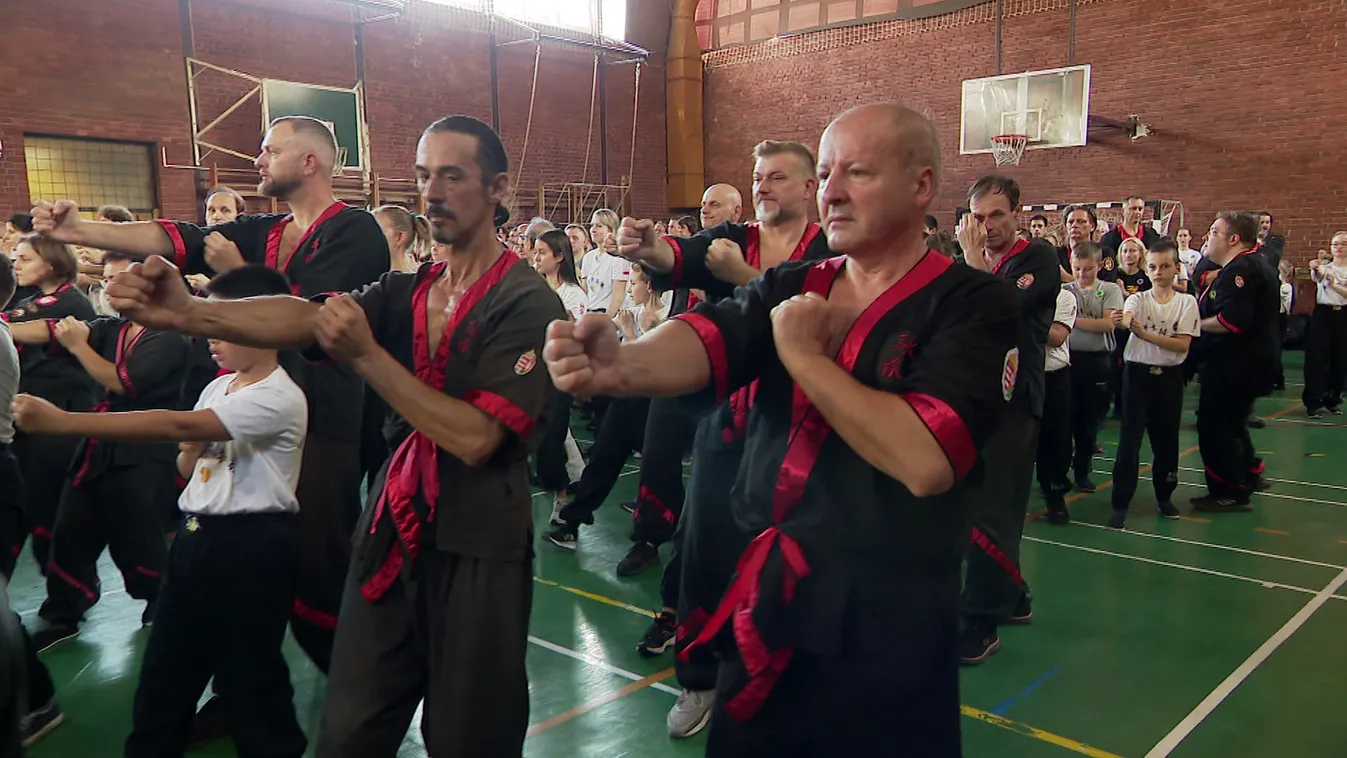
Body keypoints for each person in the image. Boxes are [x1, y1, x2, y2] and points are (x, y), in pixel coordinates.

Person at [545, 102, 1019, 756]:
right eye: (825, 175)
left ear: (921, 185)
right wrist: (621, 366)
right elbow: (709, 335)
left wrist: (804, 358)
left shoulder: (973, 302)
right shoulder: (795, 283)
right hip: (770, 598)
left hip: (886, 613)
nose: (832, 192)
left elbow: (925, 457)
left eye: (857, 172)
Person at [105, 115, 562, 756]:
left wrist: (367, 356)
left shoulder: (526, 301)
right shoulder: (408, 289)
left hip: (476, 538)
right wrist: (191, 312)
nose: (433, 193)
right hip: (392, 527)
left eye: (453, 176)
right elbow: (309, 317)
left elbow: (478, 439)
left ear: (497, 188)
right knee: (349, 729)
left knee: (469, 735)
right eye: (424, 176)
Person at [30, 116, 390, 684]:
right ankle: (240, 691)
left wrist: (237, 274)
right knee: (244, 565)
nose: (258, 159)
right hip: (246, 407)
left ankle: (360, 687)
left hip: (321, 419)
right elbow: (177, 238)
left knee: (318, 562)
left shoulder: (355, 230)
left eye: (270, 150)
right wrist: (82, 230)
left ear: (310, 162)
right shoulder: (264, 228)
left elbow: (311, 320)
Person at [13, 265, 308, 758]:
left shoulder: (278, 396)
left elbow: (177, 426)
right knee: (166, 669)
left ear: (264, 327)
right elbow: (187, 460)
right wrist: (191, 448)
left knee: (250, 675)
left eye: (221, 324)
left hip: (251, 544)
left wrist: (64, 422)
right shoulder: (219, 388)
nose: (209, 336)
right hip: (197, 537)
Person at [615, 139, 832, 737]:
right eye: (758, 177)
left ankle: (792, 676)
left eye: (777, 176)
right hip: (727, 425)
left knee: (801, 558)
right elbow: (680, 256)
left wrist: (743, 277)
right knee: (704, 548)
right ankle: (701, 676)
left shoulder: (829, 251)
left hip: (801, 430)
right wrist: (649, 245)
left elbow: (819, 315)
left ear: (809, 187)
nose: (763, 186)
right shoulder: (731, 239)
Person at [9, 252, 189, 650]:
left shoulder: (168, 335)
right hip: (99, 445)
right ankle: (64, 609)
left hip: (144, 448)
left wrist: (79, 347)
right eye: (107, 279)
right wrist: (6, 326)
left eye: (120, 279)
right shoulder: (114, 328)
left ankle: (162, 601)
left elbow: (123, 382)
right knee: (71, 527)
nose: (110, 287)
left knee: (137, 534)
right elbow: (54, 329)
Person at [955, 175, 1061, 664]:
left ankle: (981, 621)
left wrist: (972, 259)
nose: (987, 225)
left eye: (997, 215)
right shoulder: (973, 262)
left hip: (1015, 400)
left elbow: (1000, 308)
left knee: (993, 509)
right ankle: (1013, 596)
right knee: (970, 503)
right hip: (975, 398)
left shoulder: (1036, 258)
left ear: (1017, 213)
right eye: (978, 217)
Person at [5, 236, 98, 575]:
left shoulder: (69, 302)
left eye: (25, 259)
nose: (17, 265)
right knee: (24, 502)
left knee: (50, 506)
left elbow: (26, 329)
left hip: (60, 414)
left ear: (51, 262)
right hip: (28, 414)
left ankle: (69, 592)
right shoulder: (31, 297)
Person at [1191, 211, 1279, 512]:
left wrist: (1194, 325)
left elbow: (1232, 320)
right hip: (1248, 362)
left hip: (1234, 365)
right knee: (1234, 423)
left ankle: (1229, 489)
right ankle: (1249, 474)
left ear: (1233, 239)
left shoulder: (1240, 270)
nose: (1208, 237)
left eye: (1214, 232)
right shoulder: (1253, 263)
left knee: (1216, 427)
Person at [1108, 238, 1199, 529]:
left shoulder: (1186, 302)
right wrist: (1123, 321)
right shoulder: (1138, 299)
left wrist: (1145, 334)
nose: (1158, 272)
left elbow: (1181, 345)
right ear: (1146, 270)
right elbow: (1128, 316)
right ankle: (1120, 502)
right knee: (1130, 440)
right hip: (1137, 376)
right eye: (1153, 267)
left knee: (1166, 440)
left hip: (1169, 379)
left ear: (1176, 268)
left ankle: (1164, 496)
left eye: (1165, 266)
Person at [1037, 287, 1076, 525]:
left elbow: (1057, 336)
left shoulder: (1064, 296)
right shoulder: (1014, 289)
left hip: (1053, 376)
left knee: (1056, 440)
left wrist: (1023, 315)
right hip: (1019, 374)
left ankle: (1055, 498)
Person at [1302, 231, 1347, 418]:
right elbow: (1318, 276)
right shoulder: (1325, 268)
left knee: (1340, 358)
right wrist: (1315, 268)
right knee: (1316, 358)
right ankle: (1313, 401)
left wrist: (1334, 285)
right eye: (1335, 244)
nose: (1338, 247)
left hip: (1343, 314)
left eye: (1343, 244)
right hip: (1323, 313)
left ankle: (1332, 399)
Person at [1099, 195, 1160, 274]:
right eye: (1133, 208)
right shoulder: (1110, 238)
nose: (1137, 212)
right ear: (1123, 211)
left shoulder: (1151, 235)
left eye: (1140, 209)